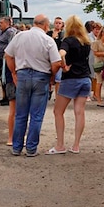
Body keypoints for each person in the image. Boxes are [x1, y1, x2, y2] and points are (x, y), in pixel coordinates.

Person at [5, 14, 61, 157]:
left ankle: (17, 147)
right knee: (36, 115)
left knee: (20, 114)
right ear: (46, 25)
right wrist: (52, 77)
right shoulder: (48, 40)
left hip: (22, 75)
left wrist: (13, 72)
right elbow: (56, 63)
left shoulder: (19, 36)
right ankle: (31, 148)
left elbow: (8, 55)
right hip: (41, 76)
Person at [47, 15, 92, 155]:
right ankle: (76, 145)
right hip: (85, 79)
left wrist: (63, 65)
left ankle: (60, 145)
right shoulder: (86, 42)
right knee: (80, 112)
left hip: (71, 79)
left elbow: (61, 53)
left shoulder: (68, 41)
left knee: (58, 112)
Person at [0, 16, 17, 106]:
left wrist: (7, 55)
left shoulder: (10, 32)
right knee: (2, 78)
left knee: (8, 77)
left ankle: (9, 97)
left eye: (1, 23)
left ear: (7, 23)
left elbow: (11, 44)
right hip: (0, 57)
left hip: (6, 58)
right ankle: (4, 96)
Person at [47, 16, 65, 97]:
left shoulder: (63, 34)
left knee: (58, 79)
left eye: (59, 23)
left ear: (62, 24)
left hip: (59, 58)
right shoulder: (49, 34)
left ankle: (57, 96)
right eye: (56, 23)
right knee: (49, 76)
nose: (58, 25)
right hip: (49, 58)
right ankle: (48, 92)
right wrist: (53, 38)